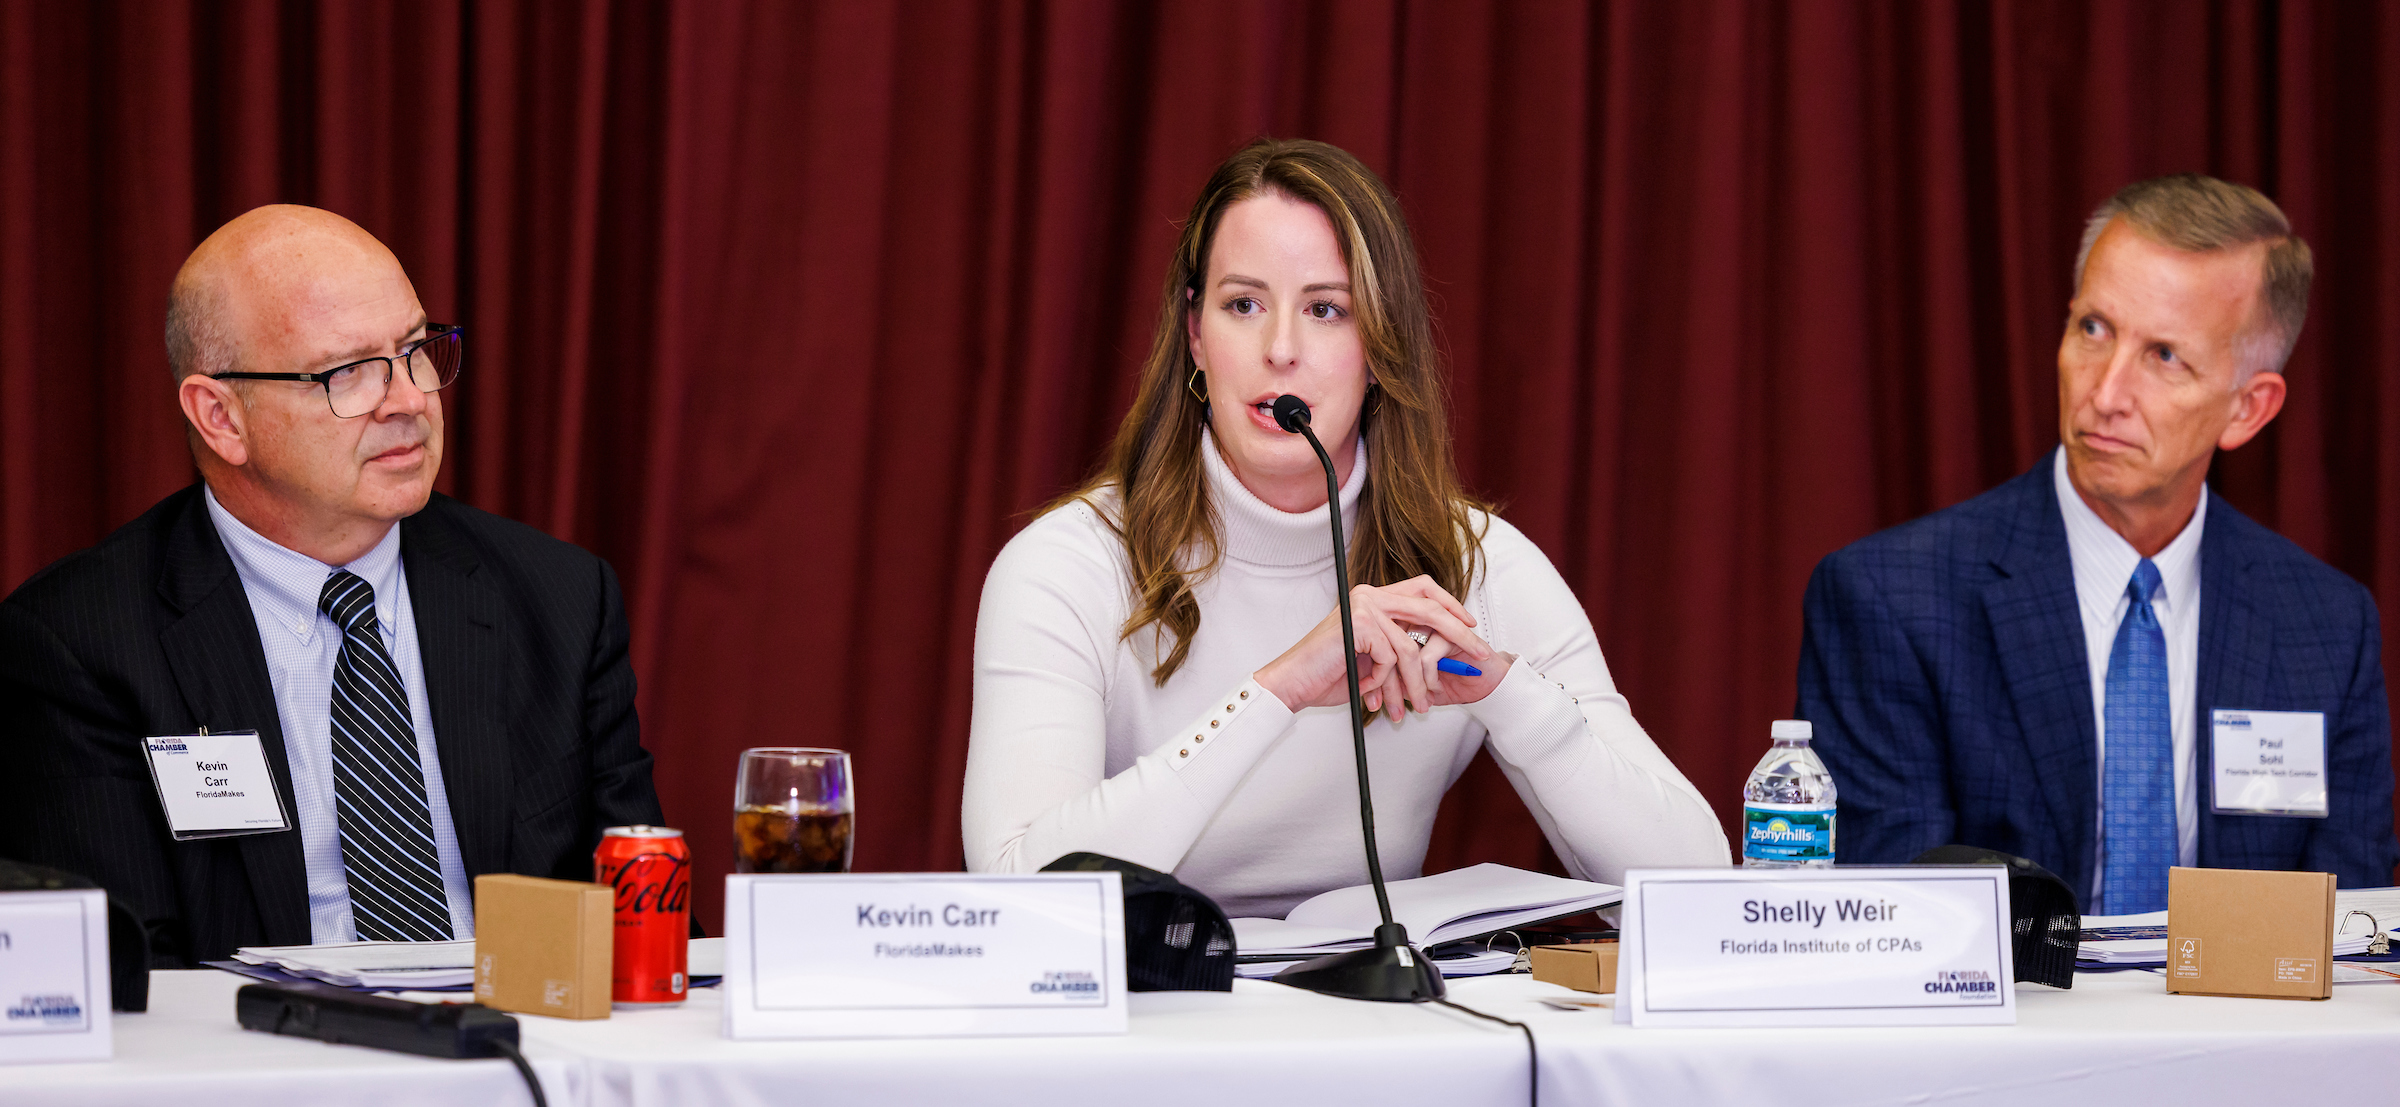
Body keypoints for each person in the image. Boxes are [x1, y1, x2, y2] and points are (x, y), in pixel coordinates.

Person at [961, 138, 1727, 918]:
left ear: (1379, 347)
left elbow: (1697, 893)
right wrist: (1277, 690)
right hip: (1154, 995)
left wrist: (1511, 696)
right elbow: (1015, 892)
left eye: (1326, 309)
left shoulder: (1476, 568)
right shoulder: (1069, 565)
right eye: (1243, 305)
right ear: (1195, 334)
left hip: (1378, 996)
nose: (1280, 350)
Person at [0, 205, 666, 965]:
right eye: (347, 372)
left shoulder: (558, 599)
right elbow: (124, 972)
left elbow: (644, 927)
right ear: (221, 418)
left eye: (414, 351)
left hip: (517, 1029)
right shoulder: (81, 645)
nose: (410, 400)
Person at [1797, 174, 2398, 911]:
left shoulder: (2327, 626)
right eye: (2094, 329)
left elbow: (2351, 928)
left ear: (2248, 408)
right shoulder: (1894, 600)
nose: (2105, 394)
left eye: (2164, 355)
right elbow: (1902, 919)